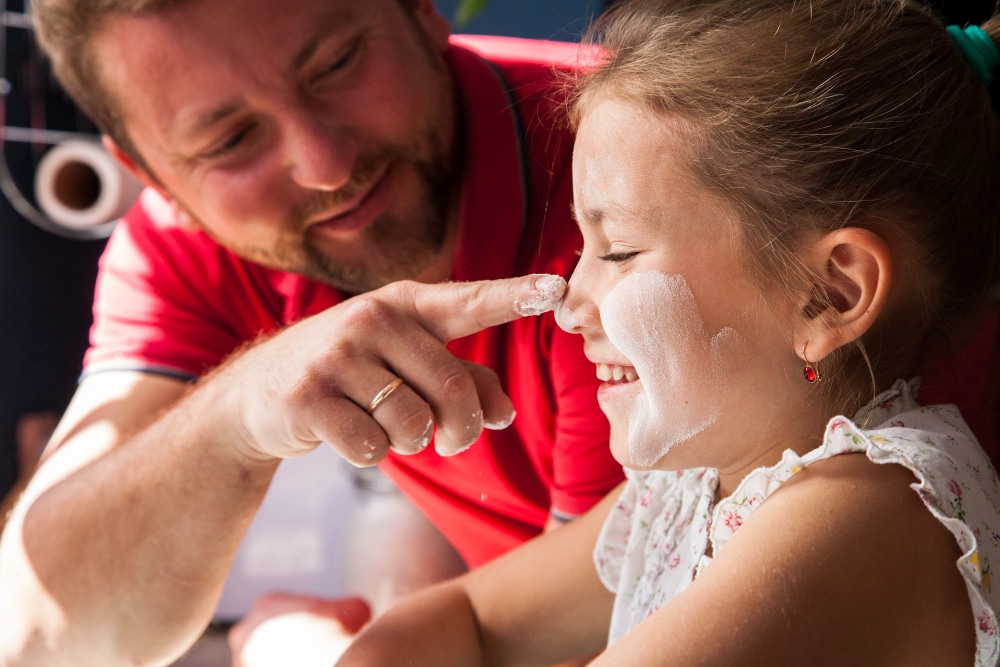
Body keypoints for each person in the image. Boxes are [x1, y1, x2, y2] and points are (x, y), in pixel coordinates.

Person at [334, 0, 1000, 664]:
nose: (569, 303)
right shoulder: (690, 489)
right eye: (582, 248)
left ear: (828, 294)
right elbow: (467, 618)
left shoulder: (863, 514)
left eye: (618, 251)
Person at [0, 1, 625, 665]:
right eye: (230, 142)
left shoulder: (638, 169)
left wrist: (308, 653)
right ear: (155, 178)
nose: (325, 163)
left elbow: (636, 613)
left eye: (338, 64)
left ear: (419, 9)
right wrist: (241, 410)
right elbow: (35, 630)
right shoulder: (184, 248)